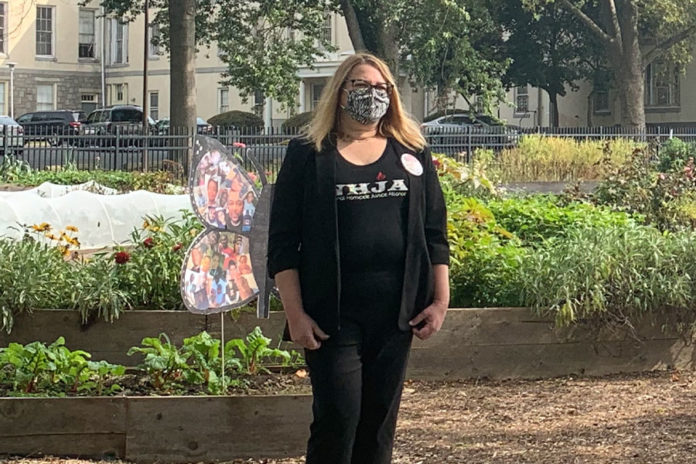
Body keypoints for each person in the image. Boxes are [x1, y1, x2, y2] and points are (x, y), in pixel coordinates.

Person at [267, 53, 449, 464]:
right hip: (332, 316)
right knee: (337, 420)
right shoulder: (308, 154)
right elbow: (282, 243)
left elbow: (435, 232)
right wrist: (295, 315)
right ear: (340, 91)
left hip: (396, 315)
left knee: (378, 427)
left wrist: (440, 301)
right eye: (361, 86)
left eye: (381, 87)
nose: (373, 94)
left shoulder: (411, 152)